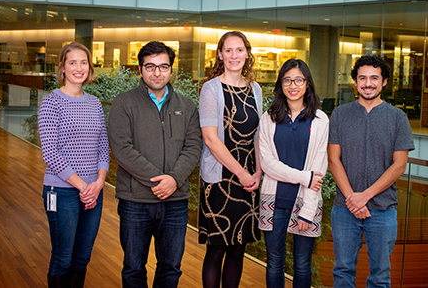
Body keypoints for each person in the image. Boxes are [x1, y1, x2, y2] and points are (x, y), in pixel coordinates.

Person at [108, 41, 202, 288]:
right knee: (133, 269)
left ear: (171, 70)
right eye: (150, 66)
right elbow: (123, 149)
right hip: (135, 202)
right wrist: (159, 180)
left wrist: (173, 180)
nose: (157, 72)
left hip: (175, 201)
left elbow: (193, 147)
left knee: (170, 269)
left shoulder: (187, 106)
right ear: (140, 70)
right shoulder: (123, 103)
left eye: (163, 66)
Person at [328, 55, 415, 287]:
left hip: (383, 209)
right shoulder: (339, 114)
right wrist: (352, 199)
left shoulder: (398, 118)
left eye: (374, 78)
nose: (368, 83)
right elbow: (333, 160)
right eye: (362, 78)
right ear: (355, 82)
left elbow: (399, 165)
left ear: (384, 81)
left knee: (380, 276)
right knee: (342, 271)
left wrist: (364, 197)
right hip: (344, 209)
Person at [38, 42, 109, 288]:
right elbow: (51, 154)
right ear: (62, 67)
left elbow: (103, 147)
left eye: (83, 62)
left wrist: (98, 183)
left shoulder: (95, 103)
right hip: (62, 191)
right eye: (72, 62)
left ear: (89, 67)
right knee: (62, 258)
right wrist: (83, 187)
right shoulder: (51, 103)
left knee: (82, 258)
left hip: (94, 192)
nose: (79, 67)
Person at [198, 31, 263, 288]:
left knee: (238, 249)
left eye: (239, 50)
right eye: (228, 50)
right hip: (220, 179)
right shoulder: (211, 88)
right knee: (216, 251)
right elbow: (211, 139)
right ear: (220, 54)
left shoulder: (255, 89)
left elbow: (259, 135)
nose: (234, 55)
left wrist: (257, 172)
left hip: (249, 180)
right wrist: (243, 174)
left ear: (247, 53)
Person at [258, 59, 329, 288]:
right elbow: (267, 164)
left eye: (299, 79)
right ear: (280, 84)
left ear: (307, 84)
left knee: (302, 264)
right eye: (287, 80)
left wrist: (308, 211)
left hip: (306, 201)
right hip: (274, 201)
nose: (293, 85)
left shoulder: (320, 120)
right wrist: (304, 177)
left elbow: (318, 167)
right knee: (274, 263)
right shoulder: (269, 118)